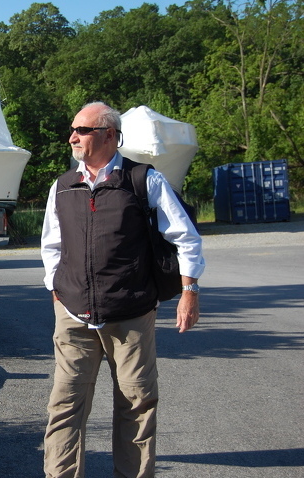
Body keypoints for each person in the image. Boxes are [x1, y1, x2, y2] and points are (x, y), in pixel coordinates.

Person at [40, 102, 205, 478]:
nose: (73, 137)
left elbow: (186, 238)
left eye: (82, 130)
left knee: (136, 404)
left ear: (109, 135)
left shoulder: (143, 180)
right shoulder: (63, 186)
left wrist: (189, 291)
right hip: (73, 315)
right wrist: (56, 289)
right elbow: (51, 245)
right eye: (73, 129)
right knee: (64, 405)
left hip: (130, 315)